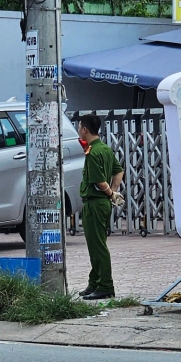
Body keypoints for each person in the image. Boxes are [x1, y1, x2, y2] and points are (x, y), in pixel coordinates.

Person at [77, 114, 124, 300]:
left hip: (95, 203)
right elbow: (119, 170)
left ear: (85, 129)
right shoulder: (104, 149)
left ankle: (105, 286)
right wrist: (113, 191)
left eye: (80, 127)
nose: (79, 129)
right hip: (102, 203)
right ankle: (94, 282)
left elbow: (98, 180)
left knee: (98, 247)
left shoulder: (93, 153)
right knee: (97, 245)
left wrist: (110, 192)